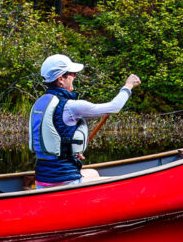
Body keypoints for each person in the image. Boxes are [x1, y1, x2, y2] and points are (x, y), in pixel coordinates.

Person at [29, 54, 141, 186]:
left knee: (92, 172)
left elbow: (54, 140)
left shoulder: (39, 104)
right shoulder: (70, 106)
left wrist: (70, 152)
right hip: (64, 180)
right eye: (72, 74)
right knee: (103, 179)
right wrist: (128, 86)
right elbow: (114, 107)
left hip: (42, 179)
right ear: (61, 79)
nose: (74, 76)